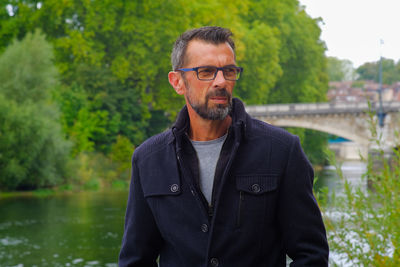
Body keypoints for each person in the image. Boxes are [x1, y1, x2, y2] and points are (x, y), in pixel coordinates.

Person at [119, 26, 329, 267]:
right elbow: (135, 259)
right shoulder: (148, 159)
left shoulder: (282, 151)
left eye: (228, 71)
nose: (221, 81)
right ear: (178, 82)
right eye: (206, 71)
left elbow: (312, 256)